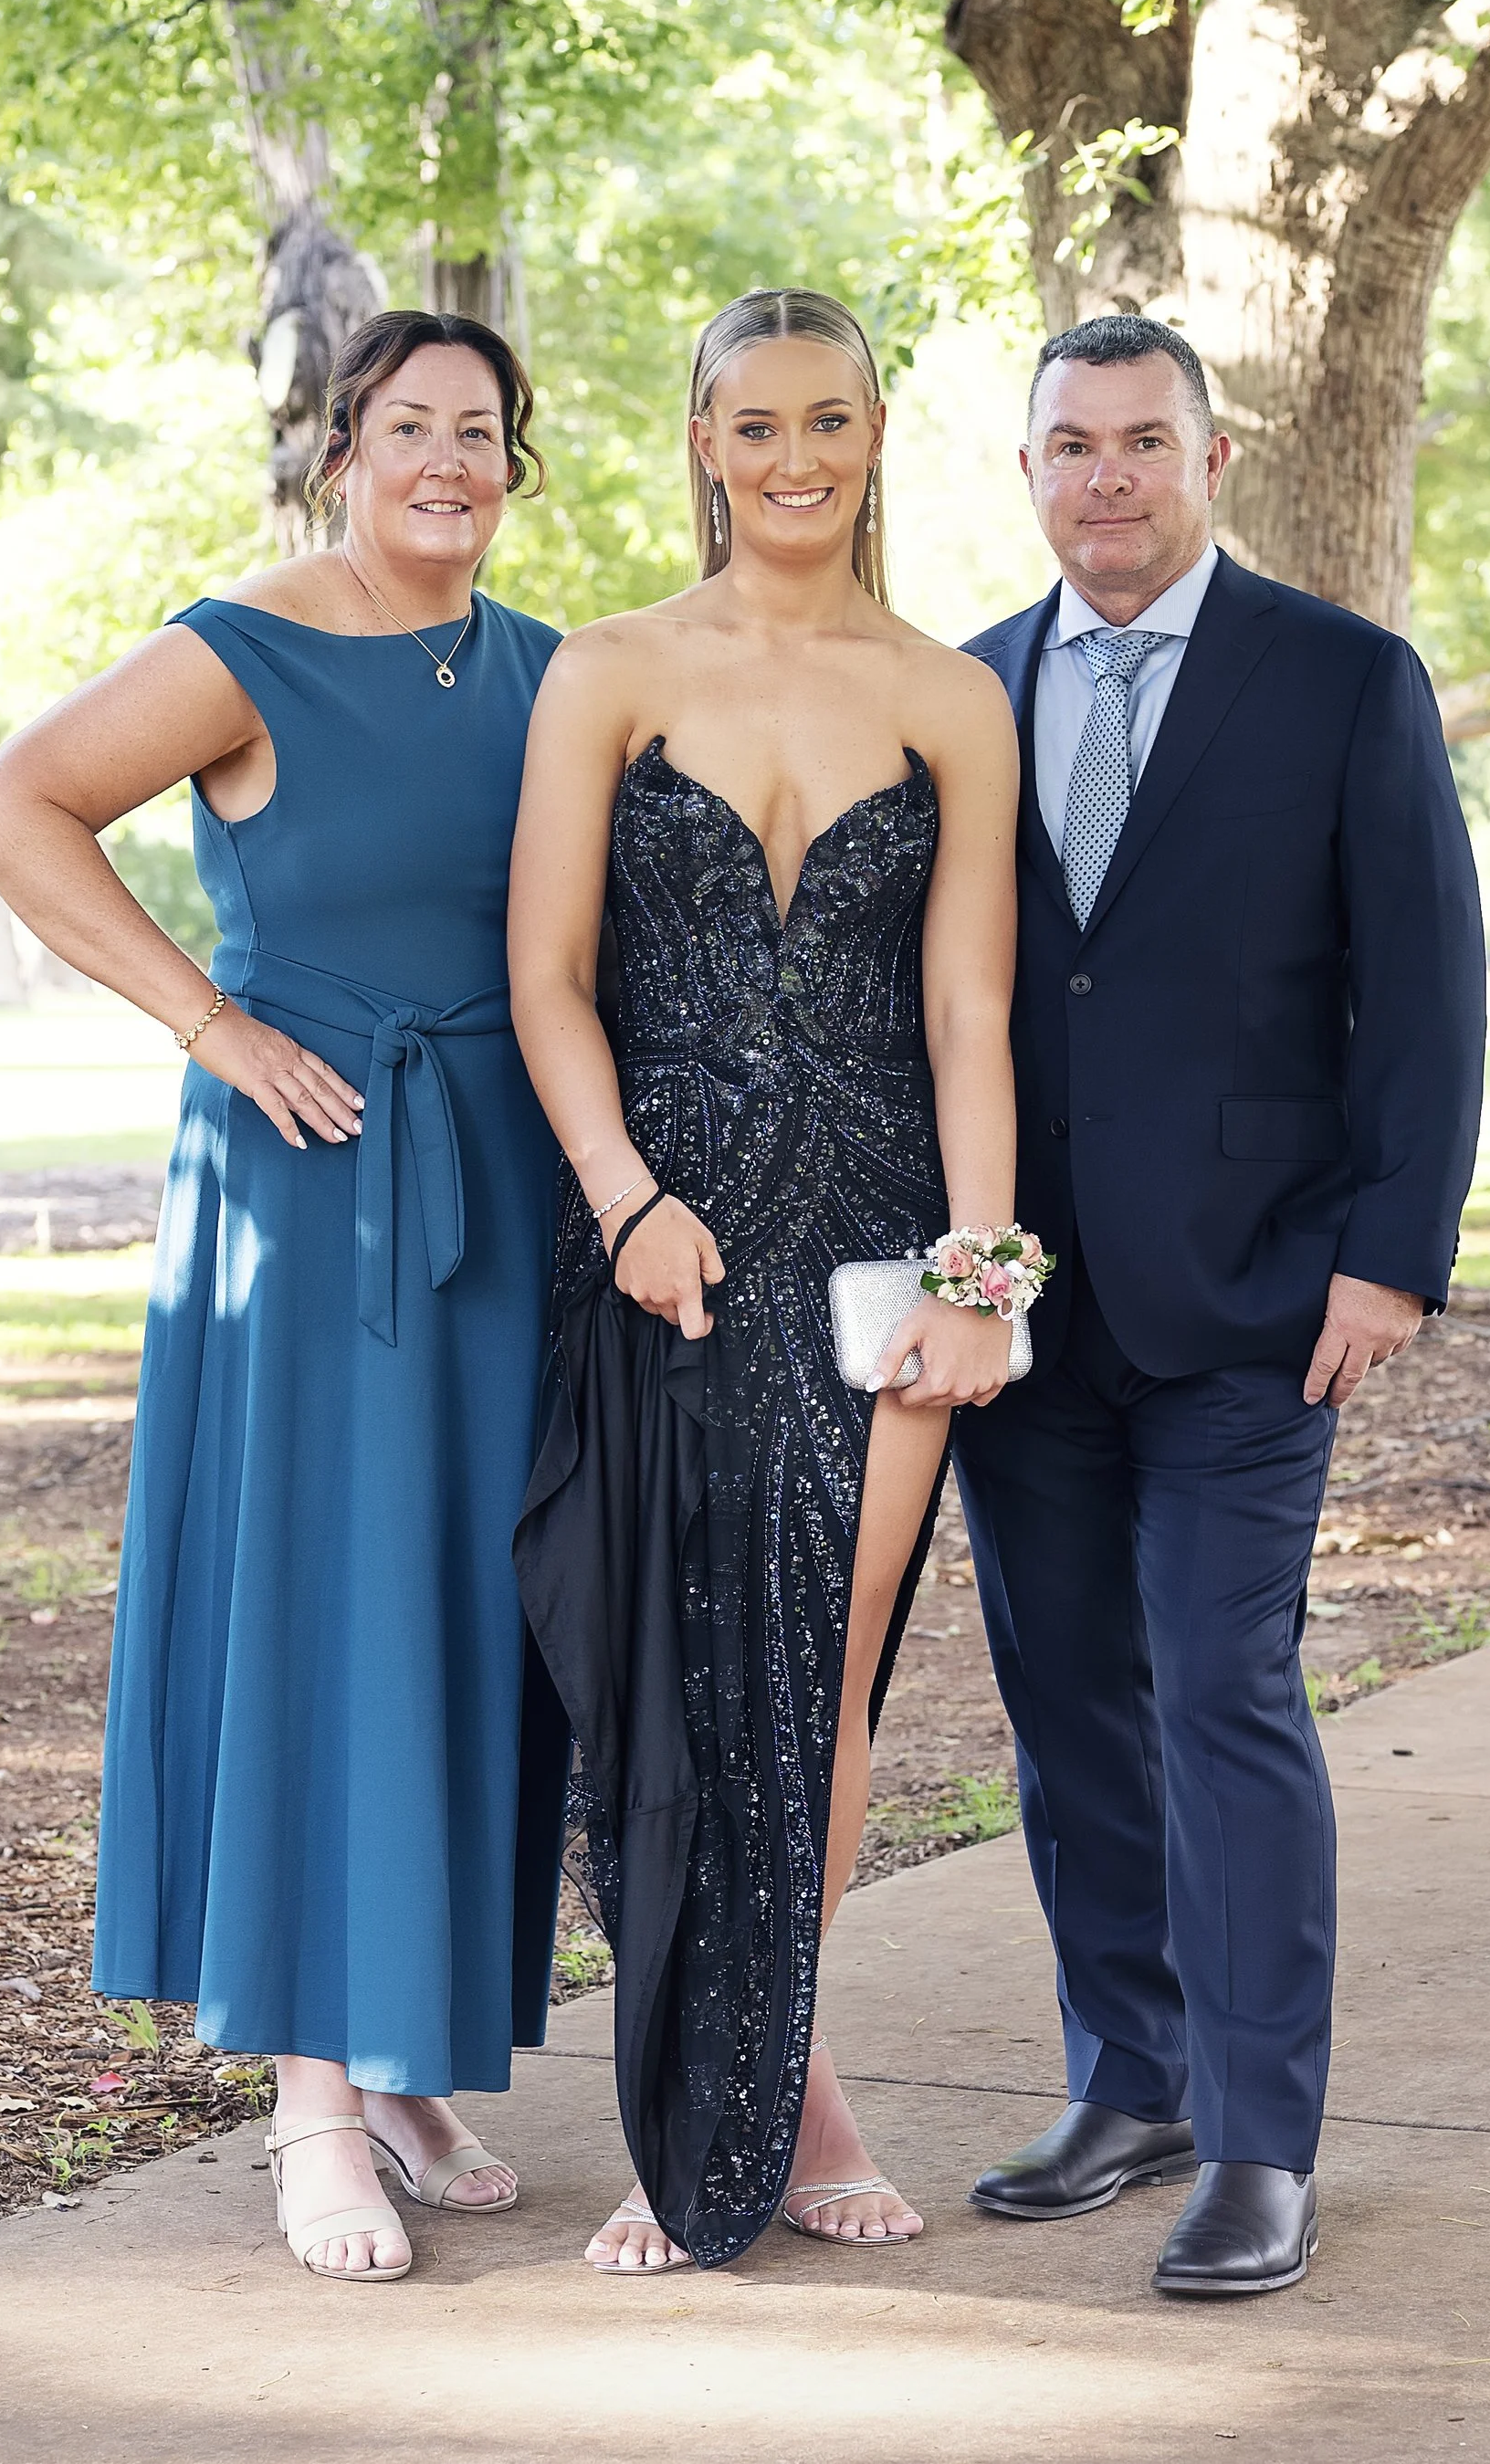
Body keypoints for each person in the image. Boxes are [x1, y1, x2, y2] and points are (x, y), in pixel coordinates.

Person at [0, 311, 567, 2286]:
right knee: (323, 1606)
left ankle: (410, 2057)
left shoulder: (551, 668)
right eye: (410, 426)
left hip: (505, 1194)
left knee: (465, 1614)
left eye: (480, 430)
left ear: (515, 463)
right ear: (342, 451)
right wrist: (209, 1021)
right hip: (309, 1189)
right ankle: (310, 2097)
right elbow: (13, 807)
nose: (447, 459)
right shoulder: (246, 644)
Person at [955, 311, 1485, 2297]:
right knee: (1064, 1701)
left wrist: (1391, 1251)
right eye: (1070, 444)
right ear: (1026, 470)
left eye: (1141, 441)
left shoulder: (1340, 677)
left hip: (1261, 1290)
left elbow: (1424, 982)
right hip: (1018, 1301)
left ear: (1211, 456)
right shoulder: (963, 688)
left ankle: (1260, 2138)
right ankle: (1133, 2075)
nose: (1106, 476)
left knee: (1219, 1688)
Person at [509, 287, 1026, 2274]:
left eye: (828, 420)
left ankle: (774, 2092)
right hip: (668, 1246)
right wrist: (625, 1198)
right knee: (672, 1676)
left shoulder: (948, 696)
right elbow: (549, 979)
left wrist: (981, 1276)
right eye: (756, 424)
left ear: (875, 437)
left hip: (884, 1248)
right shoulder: (609, 668)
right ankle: (723, 2101)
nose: (794, 458)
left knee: (825, 1675)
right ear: (703, 444)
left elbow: (968, 1015)